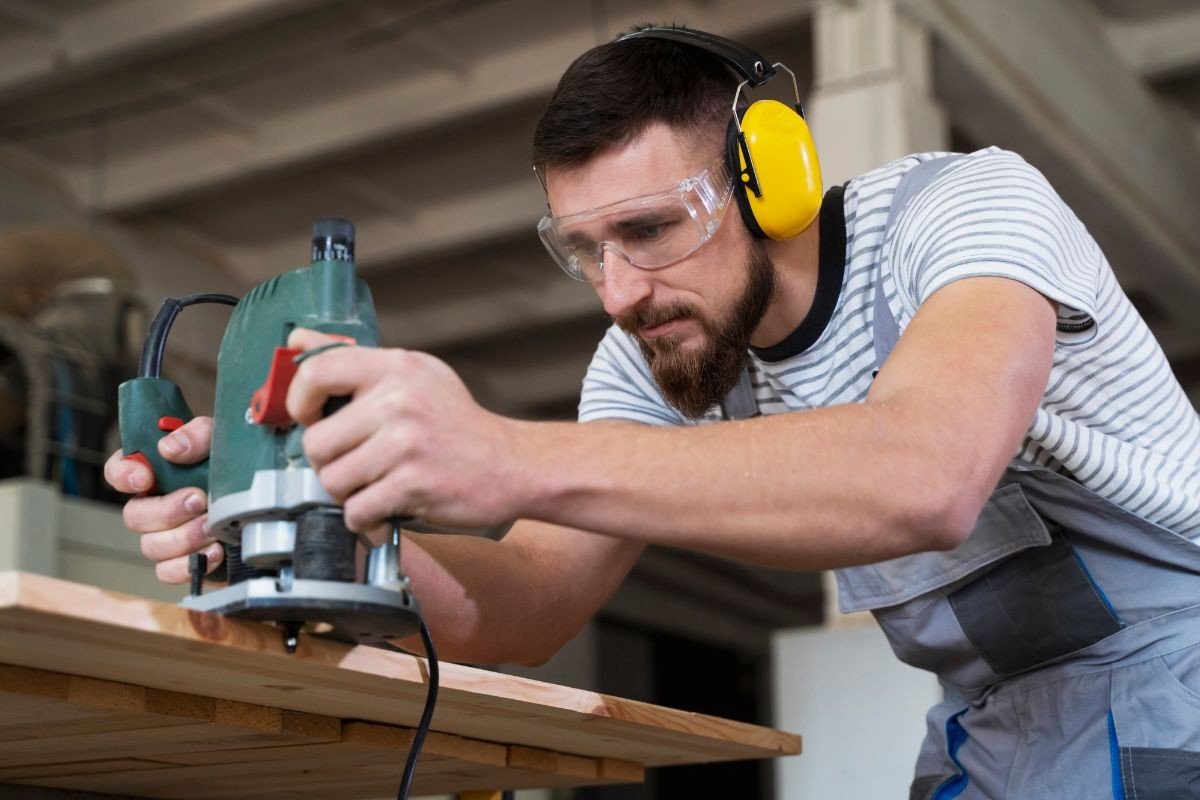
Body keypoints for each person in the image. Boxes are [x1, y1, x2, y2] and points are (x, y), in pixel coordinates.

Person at [105, 26, 1200, 799]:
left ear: (772, 176)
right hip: (992, 720)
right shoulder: (657, 355)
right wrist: (313, 520)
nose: (620, 292)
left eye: (650, 229)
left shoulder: (963, 212)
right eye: (583, 249)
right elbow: (528, 598)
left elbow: (926, 473)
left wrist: (502, 451)